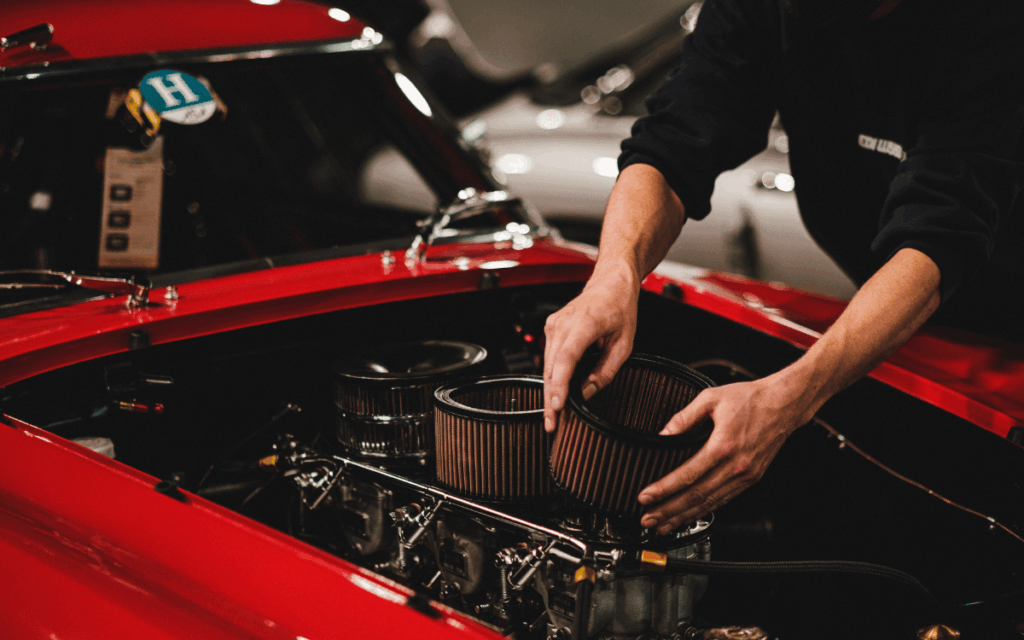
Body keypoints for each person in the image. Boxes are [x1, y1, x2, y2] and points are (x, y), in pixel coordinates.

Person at [542, 0, 1024, 536]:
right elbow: (675, 142)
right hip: (909, 316)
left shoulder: (991, 25)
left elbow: (938, 232)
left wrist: (789, 399)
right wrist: (615, 274)